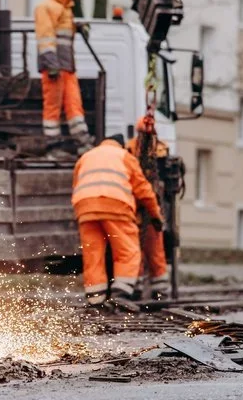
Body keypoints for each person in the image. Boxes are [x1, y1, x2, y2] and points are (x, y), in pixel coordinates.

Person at [72, 134, 163, 312]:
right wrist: (155, 215)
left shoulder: (86, 156)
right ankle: (120, 295)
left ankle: (95, 301)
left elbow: (77, 184)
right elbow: (143, 189)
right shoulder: (124, 156)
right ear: (121, 145)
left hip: (85, 208)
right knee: (127, 251)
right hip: (115, 206)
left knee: (93, 255)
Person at [35, 0, 92, 152]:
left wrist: (78, 27)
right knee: (53, 108)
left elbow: (60, 35)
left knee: (74, 106)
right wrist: (51, 65)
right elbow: (45, 38)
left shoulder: (65, 11)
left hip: (66, 68)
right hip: (55, 67)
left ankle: (83, 142)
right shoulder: (46, 7)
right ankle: (53, 146)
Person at [126, 116, 171, 300]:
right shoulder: (130, 149)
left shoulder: (159, 150)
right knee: (136, 249)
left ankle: (158, 288)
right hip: (138, 207)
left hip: (147, 208)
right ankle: (136, 286)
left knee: (153, 250)